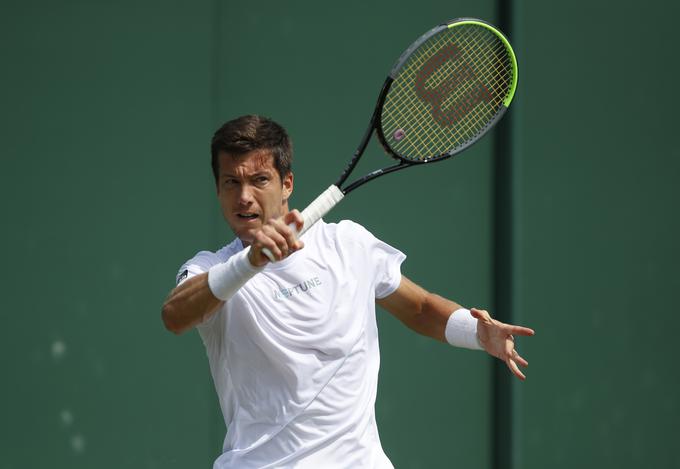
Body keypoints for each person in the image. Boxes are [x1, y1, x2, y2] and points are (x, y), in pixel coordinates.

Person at [162, 115, 534, 468]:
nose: (244, 196)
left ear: (287, 183)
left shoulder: (348, 244)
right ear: (218, 188)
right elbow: (175, 316)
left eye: (259, 180)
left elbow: (420, 308)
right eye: (231, 182)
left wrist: (477, 333)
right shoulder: (212, 270)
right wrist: (249, 262)